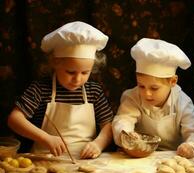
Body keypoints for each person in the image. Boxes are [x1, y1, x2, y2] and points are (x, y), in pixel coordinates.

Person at [7, 21, 114, 159]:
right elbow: (14, 120)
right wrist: (46, 138)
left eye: (85, 72)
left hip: (86, 162)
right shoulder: (40, 89)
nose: (77, 79)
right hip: (45, 160)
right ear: (54, 63)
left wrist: (98, 144)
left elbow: (108, 125)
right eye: (70, 72)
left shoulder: (94, 91)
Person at [112, 38, 194, 158]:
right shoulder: (132, 97)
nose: (147, 94)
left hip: (174, 157)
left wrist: (191, 146)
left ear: (173, 81)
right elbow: (123, 120)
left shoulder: (182, 102)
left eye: (154, 88)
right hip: (139, 156)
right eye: (141, 86)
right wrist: (126, 134)